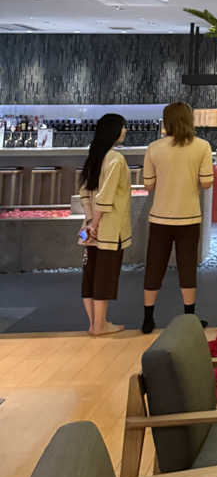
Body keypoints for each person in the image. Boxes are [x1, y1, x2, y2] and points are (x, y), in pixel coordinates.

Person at [141, 102, 214, 333]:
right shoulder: (202, 147)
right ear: (189, 119)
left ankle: (148, 317)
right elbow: (206, 182)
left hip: (160, 216)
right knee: (187, 266)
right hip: (189, 216)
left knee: (154, 265)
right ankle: (190, 318)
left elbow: (148, 185)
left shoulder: (153, 147)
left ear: (166, 121)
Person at [79, 113, 131, 336]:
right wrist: (97, 223)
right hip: (109, 228)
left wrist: (89, 222)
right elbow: (106, 195)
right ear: (114, 131)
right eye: (123, 127)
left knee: (90, 274)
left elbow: (85, 193)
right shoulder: (116, 159)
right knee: (105, 275)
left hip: (88, 227)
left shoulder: (94, 157)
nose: (125, 131)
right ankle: (100, 325)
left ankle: (93, 324)